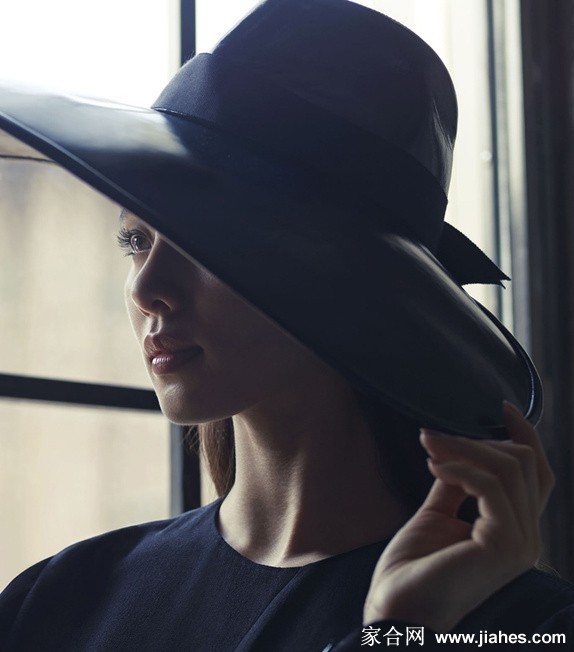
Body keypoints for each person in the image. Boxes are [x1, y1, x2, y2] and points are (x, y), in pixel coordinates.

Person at [0, 0, 573, 650]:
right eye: (136, 240)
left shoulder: (529, 629)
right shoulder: (62, 601)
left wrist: (403, 632)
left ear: (350, 279)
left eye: (204, 240)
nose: (145, 288)